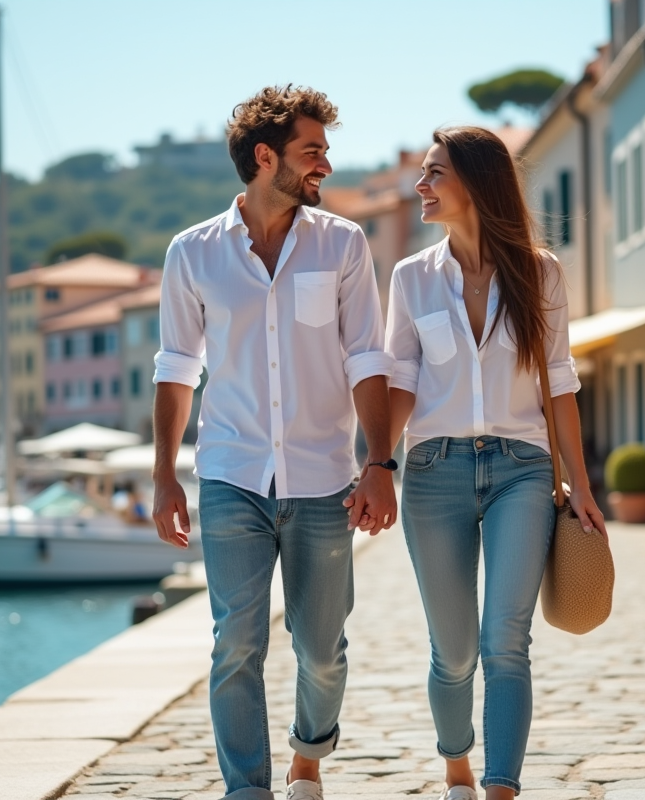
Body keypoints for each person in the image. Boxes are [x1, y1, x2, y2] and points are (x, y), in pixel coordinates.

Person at [151, 85, 398, 800]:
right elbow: (176, 368)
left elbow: (367, 360)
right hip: (231, 477)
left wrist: (379, 463)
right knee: (237, 644)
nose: (325, 164)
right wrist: (166, 476)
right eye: (311, 151)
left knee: (323, 653)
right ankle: (248, 790)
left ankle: (307, 759)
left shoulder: (344, 245)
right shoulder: (192, 254)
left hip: (324, 479)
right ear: (266, 158)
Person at [380, 127, 606, 800]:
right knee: (454, 653)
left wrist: (582, 486)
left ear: (477, 183)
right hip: (433, 472)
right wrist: (374, 466)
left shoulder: (542, 273)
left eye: (434, 174)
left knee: (506, 638)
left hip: (522, 471)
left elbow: (558, 382)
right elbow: (401, 384)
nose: (421, 186)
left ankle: (502, 788)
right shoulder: (411, 278)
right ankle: (458, 765)